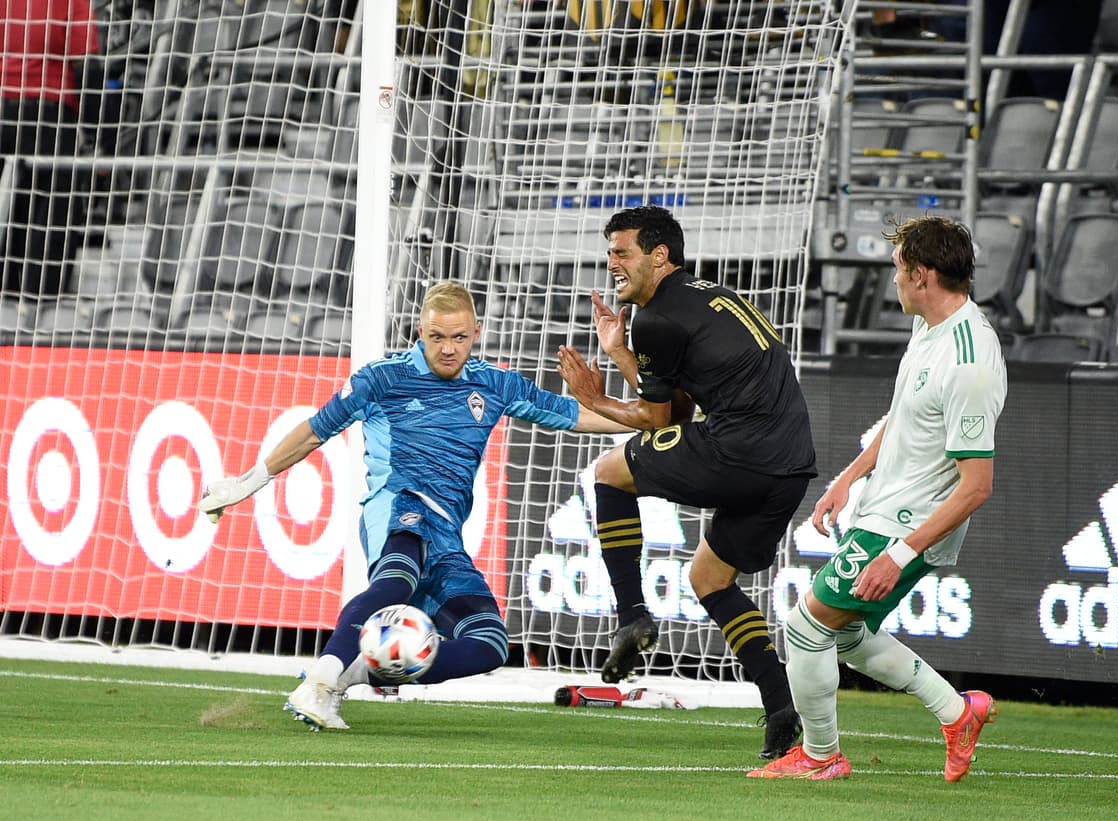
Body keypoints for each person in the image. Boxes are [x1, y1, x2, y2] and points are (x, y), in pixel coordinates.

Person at [198, 282, 630, 731]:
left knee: (489, 643)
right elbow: (313, 431)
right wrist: (248, 481)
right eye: (437, 337)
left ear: (476, 332)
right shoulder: (383, 378)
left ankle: (348, 674)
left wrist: (657, 420)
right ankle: (319, 682)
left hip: (446, 530)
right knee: (398, 578)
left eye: (459, 338)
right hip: (396, 504)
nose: (448, 349)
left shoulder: (495, 384)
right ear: (419, 331)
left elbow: (578, 414)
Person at [749, 215, 1006, 782]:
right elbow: (906, 416)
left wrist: (901, 553)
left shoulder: (969, 362)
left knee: (806, 627)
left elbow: (976, 486)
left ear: (924, 275)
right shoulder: (931, 328)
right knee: (841, 634)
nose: (893, 281)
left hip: (905, 525)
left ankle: (821, 756)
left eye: (898, 270)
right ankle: (957, 713)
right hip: (882, 508)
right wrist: (849, 477)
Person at [556, 205, 817, 759]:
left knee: (607, 473)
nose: (612, 265)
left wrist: (594, 397)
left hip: (740, 452)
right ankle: (781, 710)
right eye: (609, 254)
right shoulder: (704, 299)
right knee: (710, 579)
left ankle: (631, 616)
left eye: (622, 252)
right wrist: (621, 351)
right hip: (790, 466)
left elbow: (658, 422)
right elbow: (674, 406)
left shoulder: (659, 318)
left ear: (659, 255)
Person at [1, 0, 100, 298]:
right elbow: (88, 64)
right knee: (52, 207)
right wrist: (97, 137)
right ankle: (40, 298)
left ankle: (8, 290)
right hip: (49, 107)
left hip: (3, 103)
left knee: (14, 207)